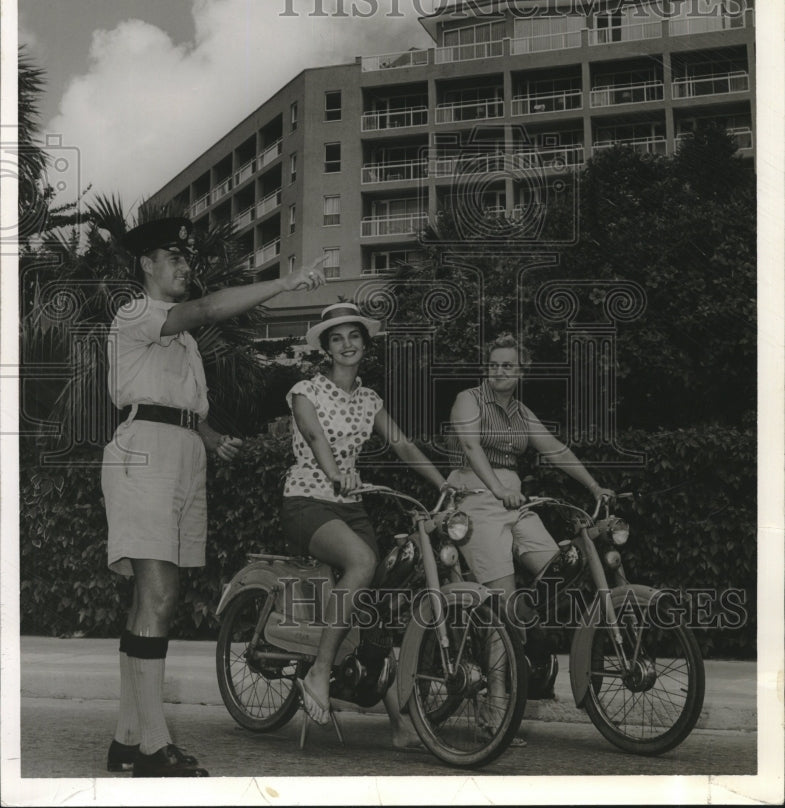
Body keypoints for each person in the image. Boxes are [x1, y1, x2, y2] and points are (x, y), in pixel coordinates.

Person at [101, 216, 325, 777]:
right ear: (146, 264)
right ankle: (153, 747)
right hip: (145, 455)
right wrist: (284, 282)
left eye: (187, 257)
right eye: (173, 257)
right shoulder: (137, 313)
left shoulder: (181, 342)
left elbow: (176, 406)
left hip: (179, 453)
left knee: (148, 599)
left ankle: (127, 738)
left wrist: (211, 437)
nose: (185, 266)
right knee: (159, 593)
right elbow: (202, 312)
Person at [281, 301, 445, 745]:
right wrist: (335, 472)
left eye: (354, 336)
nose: (347, 344)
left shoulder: (370, 400)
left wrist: (443, 484)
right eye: (337, 338)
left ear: (365, 344)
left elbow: (403, 445)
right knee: (362, 562)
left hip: (350, 506)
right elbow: (314, 435)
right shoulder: (305, 391)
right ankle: (319, 671)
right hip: (306, 501)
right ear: (327, 348)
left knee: (375, 605)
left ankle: (399, 725)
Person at [448, 333, 615, 710]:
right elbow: (471, 446)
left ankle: (530, 636)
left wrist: (594, 486)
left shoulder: (521, 413)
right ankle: (496, 708)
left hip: (515, 502)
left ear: (521, 371)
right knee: (501, 605)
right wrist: (496, 488)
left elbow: (555, 449)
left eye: (508, 366)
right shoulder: (469, 399)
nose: (499, 372)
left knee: (561, 569)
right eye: (493, 365)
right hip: (475, 500)